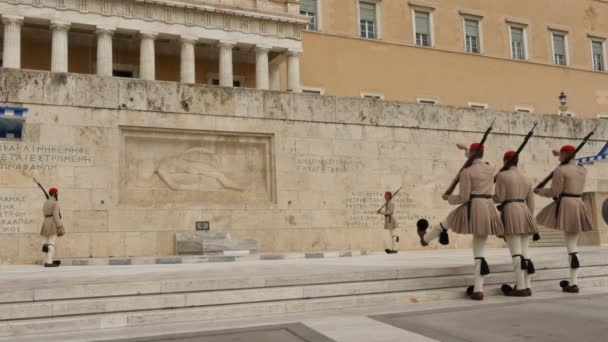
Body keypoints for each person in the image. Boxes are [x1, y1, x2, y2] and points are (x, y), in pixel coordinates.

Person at [418, 143, 504, 300]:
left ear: (472, 153)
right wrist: (466, 150)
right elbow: (476, 160)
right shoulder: (490, 169)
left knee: (448, 220)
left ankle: (425, 239)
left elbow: (464, 197)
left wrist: (449, 198)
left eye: (469, 153)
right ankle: (478, 290)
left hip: (473, 206)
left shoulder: (467, 172)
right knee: (479, 252)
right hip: (488, 207)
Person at [534, 145, 594, 293]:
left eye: (561, 154)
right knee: (573, 246)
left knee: (570, 246)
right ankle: (574, 282)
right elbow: (569, 164)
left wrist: (540, 191)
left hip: (566, 204)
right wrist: (558, 156)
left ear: (566, 154)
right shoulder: (582, 169)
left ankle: (573, 284)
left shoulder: (561, 170)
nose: (559, 156)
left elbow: (555, 191)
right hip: (578, 203)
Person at [493, 151, 538, 297]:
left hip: (511, 211)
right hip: (525, 212)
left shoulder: (502, 175)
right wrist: (528, 216)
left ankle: (520, 288)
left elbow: (499, 197)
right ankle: (527, 285)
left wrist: (486, 198)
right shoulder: (526, 177)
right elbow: (531, 203)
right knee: (525, 253)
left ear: (505, 161)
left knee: (516, 254)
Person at [40, 187, 64, 267]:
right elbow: (56, 215)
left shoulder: (45, 202)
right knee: (51, 243)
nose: (58, 194)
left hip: (45, 222)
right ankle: (49, 262)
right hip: (53, 223)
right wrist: (59, 225)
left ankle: (46, 261)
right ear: (54, 194)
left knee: (46, 244)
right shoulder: (55, 203)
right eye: (57, 193)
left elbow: (44, 214)